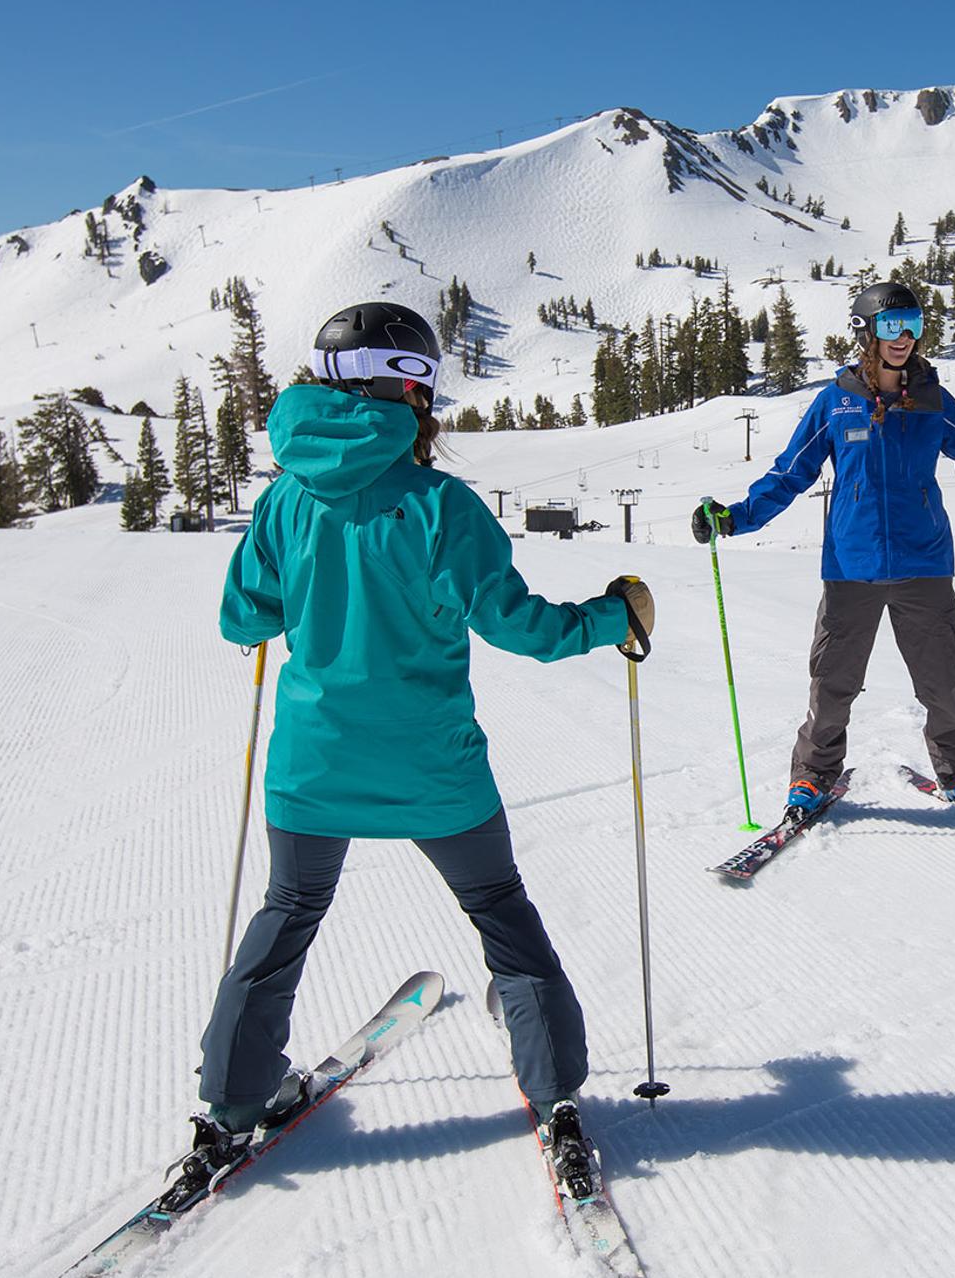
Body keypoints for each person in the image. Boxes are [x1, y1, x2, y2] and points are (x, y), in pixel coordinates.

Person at [197, 301, 654, 1198]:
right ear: (415, 388)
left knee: (287, 912)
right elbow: (522, 630)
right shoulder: (441, 505)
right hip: (433, 768)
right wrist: (615, 617)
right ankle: (556, 1095)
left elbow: (241, 617)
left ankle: (227, 1108)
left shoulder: (285, 498)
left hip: (313, 767)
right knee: (499, 910)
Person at [692, 280, 955, 821]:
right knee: (833, 686)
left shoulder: (934, 402)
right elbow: (789, 475)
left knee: (945, 683)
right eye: (890, 325)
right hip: (850, 566)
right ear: (866, 330)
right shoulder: (836, 404)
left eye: (912, 324)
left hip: (923, 563)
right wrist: (734, 519)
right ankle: (813, 776)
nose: (903, 336)